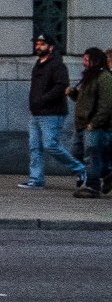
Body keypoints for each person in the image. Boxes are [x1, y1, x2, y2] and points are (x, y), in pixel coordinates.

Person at [22, 33, 85, 189]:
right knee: (35, 147)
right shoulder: (39, 64)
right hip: (36, 113)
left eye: (42, 44)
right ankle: (36, 180)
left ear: (51, 47)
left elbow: (60, 86)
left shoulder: (57, 65)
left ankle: (82, 169)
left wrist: (42, 99)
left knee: (51, 145)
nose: (38, 47)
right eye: (37, 44)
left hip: (52, 113)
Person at [71, 48, 112, 198]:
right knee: (76, 153)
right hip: (82, 124)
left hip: (94, 125)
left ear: (95, 60)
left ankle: (92, 186)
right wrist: (73, 94)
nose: (84, 62)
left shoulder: (104, 77)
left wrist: (95, 122)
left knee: (91, 154)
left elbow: (107, 104)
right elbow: (84, 100)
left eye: (87, 59)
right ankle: (108, 174)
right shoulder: (88, 77)